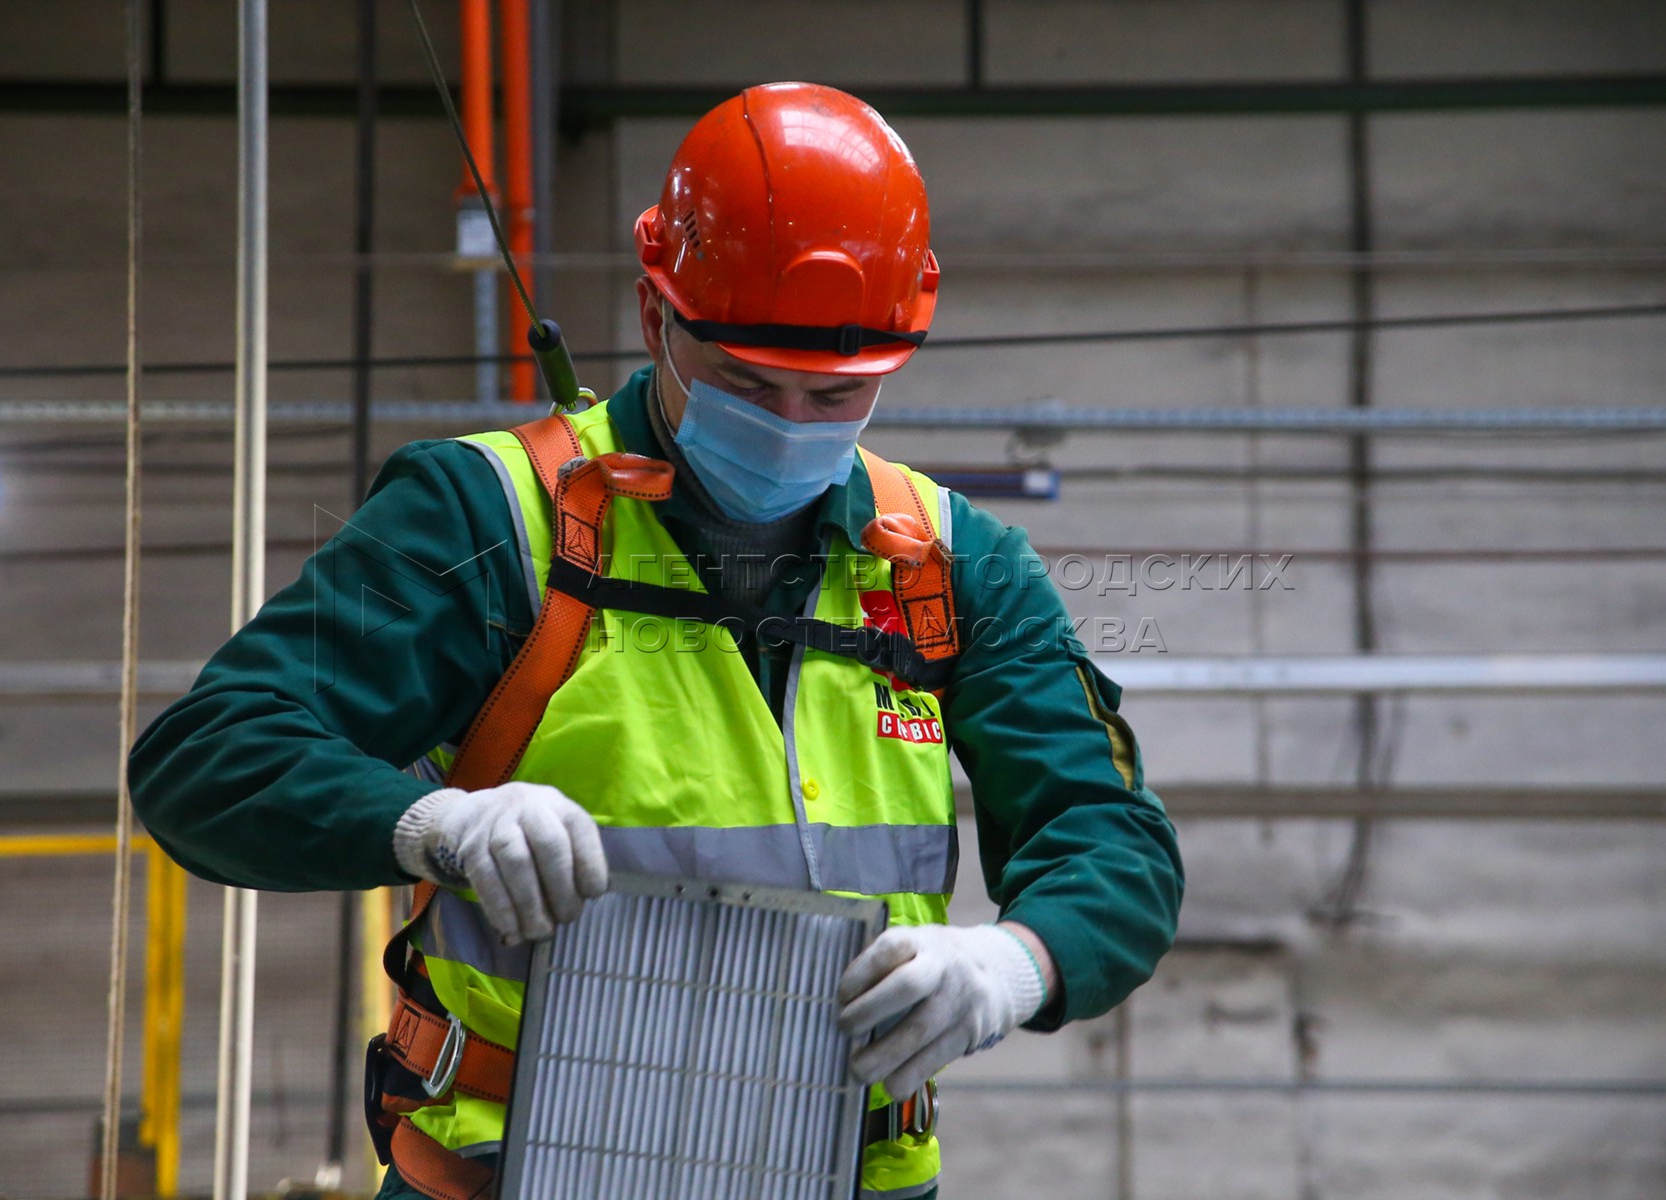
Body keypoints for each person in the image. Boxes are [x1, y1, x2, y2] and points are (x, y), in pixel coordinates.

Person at [130, 81, 1182, 1200]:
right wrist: (431, 823)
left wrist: (1018, 963)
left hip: (844, 1175)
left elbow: (1109, 833)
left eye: (835, 396)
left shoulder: (948, 563)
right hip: (515, 1172)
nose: (789, 424)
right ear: (654, 316)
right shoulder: (489, 521)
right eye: (744, 382)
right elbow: (208, 756)